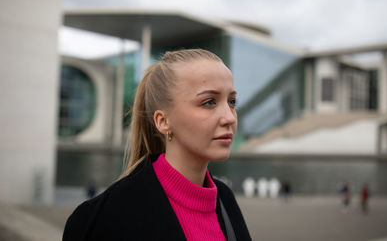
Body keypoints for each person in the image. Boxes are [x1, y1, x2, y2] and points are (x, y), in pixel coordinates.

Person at [63, 49, 252, 241]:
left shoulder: (225, 199)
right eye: (209, 102)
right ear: (163, 121)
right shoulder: (102, 219)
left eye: (232, 102)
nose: (229, 117)